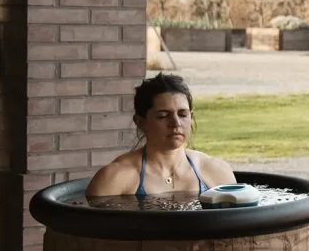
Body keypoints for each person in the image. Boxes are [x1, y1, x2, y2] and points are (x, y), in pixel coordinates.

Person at [86, 73, 236, 198]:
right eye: (163, 115)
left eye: (183, 114)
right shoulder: (116, 178)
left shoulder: (216, 171)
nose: (176, 123)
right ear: (141, 122)